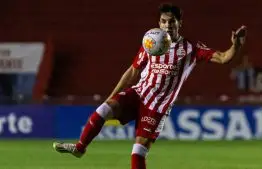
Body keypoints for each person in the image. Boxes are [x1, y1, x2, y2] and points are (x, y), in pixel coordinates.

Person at [53, 3, 247, 169]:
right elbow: (133, 71)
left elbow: (222, 58)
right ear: (159, 23)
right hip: (139, 93)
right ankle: (80, 148)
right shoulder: (151, 42)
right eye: (163, 21)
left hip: (158, 107)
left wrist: (235, 46)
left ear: (180, 23)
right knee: (104, 109)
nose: (167, 25)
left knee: (138, 151)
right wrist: (112, 95)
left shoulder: (191, 48)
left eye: (172, 21)